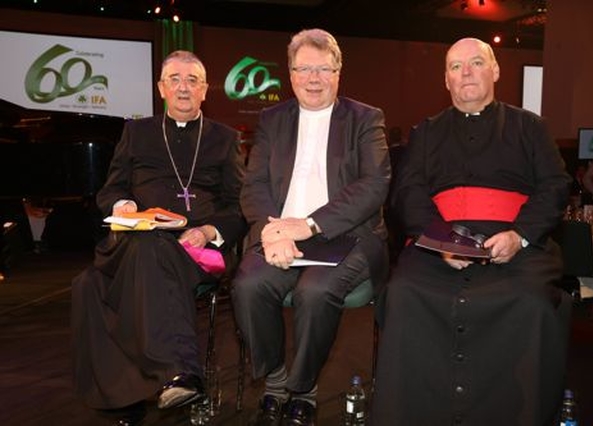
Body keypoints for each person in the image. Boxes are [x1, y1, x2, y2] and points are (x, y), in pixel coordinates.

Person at [370, 38, 573, 425]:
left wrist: (519, 235)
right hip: (439, 243)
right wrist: (442, 240)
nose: (466, 72)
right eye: (455, 66)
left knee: (531, 302)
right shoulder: (426, 132)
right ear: (445, 79)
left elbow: (554, 185)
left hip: (515, 244)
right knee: (403, 294)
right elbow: (408, 190)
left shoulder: (530, 127)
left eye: (476, 63)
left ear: (495, 71)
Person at [71, 50, 245, 426]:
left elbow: (238, 205)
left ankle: (170, 372)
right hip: (137, 239)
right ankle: (129, 393)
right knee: (93, 280)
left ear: (204, 91)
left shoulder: (225, 139)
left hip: (194, 248)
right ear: (161, 88)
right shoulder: (137, 132)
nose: (184, 87)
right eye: (175, 79)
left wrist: (207, 230)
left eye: (193, 80)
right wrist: (122, 205)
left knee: (114, 271)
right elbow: (111, 188)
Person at [231, 28, 390, 426]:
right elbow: (255, 184)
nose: (313, 78)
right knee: (248, 287)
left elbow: (374, 185)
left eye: (323, 69)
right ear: (290, 73)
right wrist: (272, 231)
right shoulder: (272, 119)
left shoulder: (366, 118)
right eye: (304, 69)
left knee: (315, 293)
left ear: (338, 72)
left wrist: (308, 225)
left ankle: (304, 389)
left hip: (346, 235)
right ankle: (276, 379)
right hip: (279, 231)